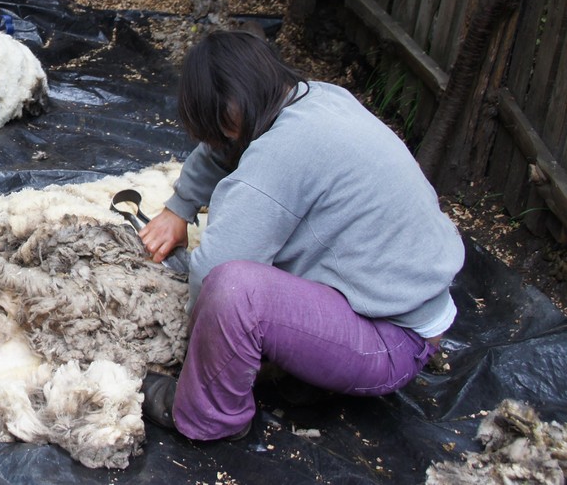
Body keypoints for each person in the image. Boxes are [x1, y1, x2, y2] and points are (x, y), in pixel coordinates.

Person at [136, 30, 464, 441]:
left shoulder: (279, 155)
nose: (221, 142)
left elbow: (216, 270)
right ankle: (308, 373)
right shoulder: (314, 97)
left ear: (231, 113)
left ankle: (206, 415)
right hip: (411, 309)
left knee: (235, 288)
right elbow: (225, 148)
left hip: (391, 342)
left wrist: (191, 349)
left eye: (220, 127)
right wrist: (179, 208)